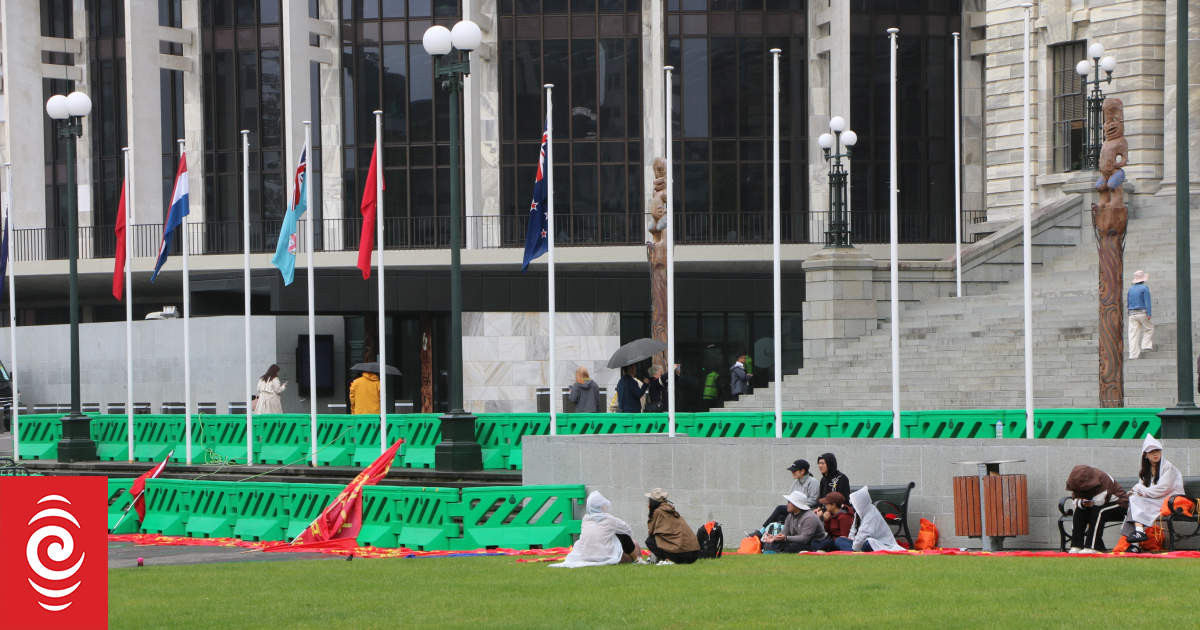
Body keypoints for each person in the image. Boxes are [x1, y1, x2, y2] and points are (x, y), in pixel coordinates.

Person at [1121, 435, 1184, 549]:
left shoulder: (1168, 467)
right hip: (1154, 500)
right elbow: (1142, 488)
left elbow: (1164, 488)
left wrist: (1143, 491)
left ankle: (1135, 542)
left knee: (1135, 502)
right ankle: (1137, 538)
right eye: (1151, 452)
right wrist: (1137, 491)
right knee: (1134, 501)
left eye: (1157, 451)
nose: (1155, 454)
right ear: (1145, 455)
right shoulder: (1145, 470)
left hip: (1170, 500)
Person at [551, 491, 641, 567]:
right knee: (633, 543)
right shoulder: (610, 519)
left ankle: (636, 559)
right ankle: (637, 560)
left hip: (585, 555)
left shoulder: (585, 519)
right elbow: (627, 530)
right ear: (602, 507)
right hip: (604, 556)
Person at [1064, 464, 1129, 553]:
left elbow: (1100, 502)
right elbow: (1075, 500)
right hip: (1095, 506)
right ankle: (1076, 546)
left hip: (1119, 504)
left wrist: (1087, 504)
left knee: (1100, 511)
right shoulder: (1076, 481)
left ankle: (1092, 547)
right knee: (1079, 510)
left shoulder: (1103, 478)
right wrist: (1082, 503)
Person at [833, 487, 906, 552]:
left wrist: (854, 547)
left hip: (879, 543)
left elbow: (862, 535)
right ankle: (855, 553)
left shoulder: (871, 515)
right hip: (859, 544)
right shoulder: (858, 513)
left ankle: (854, 553)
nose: (853, 506)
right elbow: (853, 530)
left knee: (869, 542)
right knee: (839, 540)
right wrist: (850, 539)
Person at [644, 488, 701, 565]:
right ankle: (667, 559)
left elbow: (651, 532)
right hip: (694, 554)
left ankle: (668, 560)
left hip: (682, 554)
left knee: (650, 541)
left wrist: (650, 514)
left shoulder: (658, 511)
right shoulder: (670, 510)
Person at [759, 460, 820, 530]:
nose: (792, 472)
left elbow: (813, 500)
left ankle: (762, 531)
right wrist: (792, 506)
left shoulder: (813, 482)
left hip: (807, 512)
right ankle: (777, 537)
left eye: (794, 471)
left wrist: (797, 505)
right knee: (780, 517)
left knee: (780, 508)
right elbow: (790, 500)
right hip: (796, 510)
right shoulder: (795, 484)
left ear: (802, 471)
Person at [762, 491, 826, 553]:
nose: (787, 504)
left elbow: (805, 539)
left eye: (789, 502)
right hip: (798, 542)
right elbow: (784, 532)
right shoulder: (790, 516)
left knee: (791, 547)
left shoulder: (810, 517)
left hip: (813, 544)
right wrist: (775, 538)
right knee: (772, 543)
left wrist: (785, 538)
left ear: (796, 504)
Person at [1127, 270, 1153, 359]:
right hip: (1142, 311)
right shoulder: (1145, 288)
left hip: (1132, 313)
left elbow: (1128, 301)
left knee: (1133, 334)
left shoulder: (1130, 289)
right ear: (1143, 280)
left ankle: (1133, 354)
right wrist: (1149, 313)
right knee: (1149, 328)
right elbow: (1147, 301)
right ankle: (1146, 344)